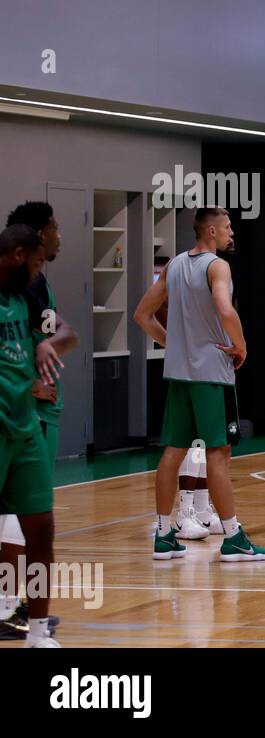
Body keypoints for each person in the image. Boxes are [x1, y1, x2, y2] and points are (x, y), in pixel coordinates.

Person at [133, 207, 265, 562]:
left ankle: (164, 533)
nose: (231, 233)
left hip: (179, 372)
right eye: (227, 227)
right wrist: (241, 345)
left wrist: (172, 344)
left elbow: (141, 315)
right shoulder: (217, 266)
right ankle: (233, 536)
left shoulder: (174, 265)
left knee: (173, 451)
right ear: (210, 231)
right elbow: (225, 309)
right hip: (211, 373)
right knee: (218, 454)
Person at [0, 202, 78, 640]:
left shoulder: (27, 294)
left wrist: (44, 348)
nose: (61, 235)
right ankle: (6, 603)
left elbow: (62, 332)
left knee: (36, 524)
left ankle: (31, 623)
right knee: (9, 522)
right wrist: (29, 381)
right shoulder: (23, 285)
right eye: (56, 228)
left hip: (28, 422)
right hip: (13, 419)